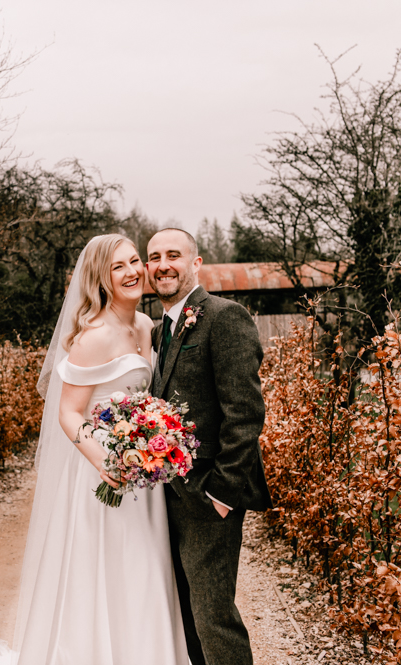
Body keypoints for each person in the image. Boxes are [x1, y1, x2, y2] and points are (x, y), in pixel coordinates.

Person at [0, 234, 188, 665]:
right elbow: (68, 412)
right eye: (117, 267)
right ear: (101, 279)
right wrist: (106, 462)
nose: (131, 273)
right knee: (103, 570)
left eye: (133, 262)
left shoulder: (146, 327)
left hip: (143, 473)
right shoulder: (94, 336)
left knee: (144, 568)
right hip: (103, 471)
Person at [146, 228, 273, 665]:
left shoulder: (225, 316)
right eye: (154, 256)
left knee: (213, 616)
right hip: (166, 492)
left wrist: (222, 492)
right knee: (183, 613)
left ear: (196, 263)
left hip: (208, 493)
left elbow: (246, 412)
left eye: (173, 255)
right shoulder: (158, 330)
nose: (162, 264)